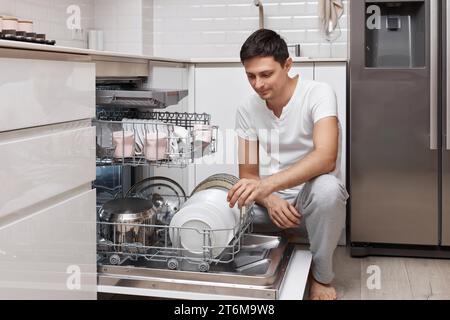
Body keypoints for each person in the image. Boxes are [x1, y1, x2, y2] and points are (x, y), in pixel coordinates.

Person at [227, 29, 349, 300]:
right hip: (272, 207)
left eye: (266, 74)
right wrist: (270, 200)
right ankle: (275, 244)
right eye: (251, 76)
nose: (258, 84)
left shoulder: (318, 93)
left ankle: (321, 275)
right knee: (228, 199)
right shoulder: (247, 108)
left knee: (329, 189)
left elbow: (326, 157)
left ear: (288, 65)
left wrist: (267, 186)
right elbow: (248, 175)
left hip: (311, 204)